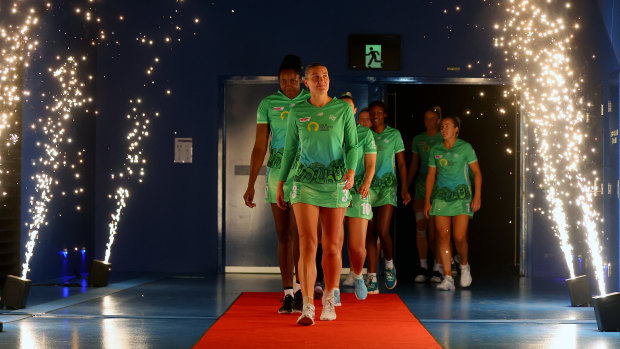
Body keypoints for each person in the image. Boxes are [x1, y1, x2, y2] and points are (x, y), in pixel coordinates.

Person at [276, 63, 358, 325]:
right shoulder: (297, 110)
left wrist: (352, 171)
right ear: (306, 83)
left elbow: (353, 145)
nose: (321, 80)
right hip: (304, 183)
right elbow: (289, 150)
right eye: (315, 77)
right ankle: (308, 305)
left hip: (335, 182)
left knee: (332, 246)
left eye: (325, 76)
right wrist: (281, 183)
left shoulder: (343, 108)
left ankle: (329, 301)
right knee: (307, 243)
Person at [243, 55, 308, 314]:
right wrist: (250, 184)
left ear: (301, 79)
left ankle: (304, 290)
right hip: (276, 176)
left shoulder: (310, 100)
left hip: (304, 175)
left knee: (302, 235)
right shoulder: (268, 104)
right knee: (284, 236)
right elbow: (260, 146)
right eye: (283, 80)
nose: (289, 85)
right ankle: (288, 293)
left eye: (293, 80)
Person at [424, 116, 482, 291]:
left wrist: (477, 196)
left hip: (461, 197)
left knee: (459, 236)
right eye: (442, 126)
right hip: (441, 197)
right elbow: (431, 176)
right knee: (443, 236)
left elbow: (477, 172)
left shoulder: (465, 147)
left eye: (447, 126)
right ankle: (448, 277)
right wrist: (427, 201)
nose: (443, 129)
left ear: (456, 129)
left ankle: (464, 265)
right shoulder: (436, 149)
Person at [365, 101, 411, 294]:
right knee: (370, 234)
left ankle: (390, 265)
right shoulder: (365, 134)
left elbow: (401, 163)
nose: (375, 116)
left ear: (384, 115)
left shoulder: (394, 135)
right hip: (368, 188)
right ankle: (372, 277)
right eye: (372, 113)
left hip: (387, 188)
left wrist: (405, 187)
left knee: (383, 231)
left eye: (379, 113)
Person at [339, 94, 376, 302]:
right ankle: (332, 290)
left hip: (359, 192)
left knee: (356, 246)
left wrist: (366, 184)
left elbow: (371, 164)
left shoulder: (365, 134)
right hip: (335, 193)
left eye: (349, 108)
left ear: (354, 111)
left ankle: (358, 275)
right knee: (333, 244)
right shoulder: (332, 132)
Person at [407, 107, 444, 283]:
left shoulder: (443, 137)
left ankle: (438, 268)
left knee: (436, 231)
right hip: (421, 186)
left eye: (432, 118)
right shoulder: (418, 139)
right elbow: (414, 164)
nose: (428, 121)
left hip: (439, 187)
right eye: (426, 118)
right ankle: (423, 266)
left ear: (438, 120)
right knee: (420, 226)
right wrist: (406, 186)